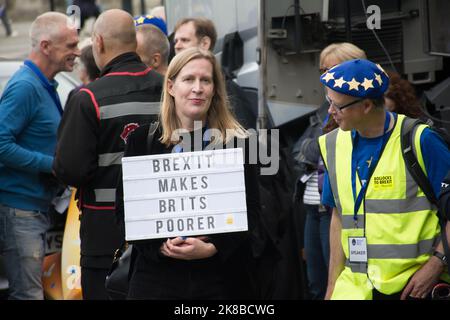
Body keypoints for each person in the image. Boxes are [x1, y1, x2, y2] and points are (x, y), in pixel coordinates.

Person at [115, 47, 259, 299]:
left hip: (219, 280)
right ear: (171, 86)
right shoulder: (142, 141)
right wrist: (159, 247)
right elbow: (124, 211)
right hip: (155, 280)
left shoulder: (238, 143)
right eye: (189, 79)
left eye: (206, 80)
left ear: (215, 89)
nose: (198, 88)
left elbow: (252, 213)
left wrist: (213, 247)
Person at [53, 9, 163, 300]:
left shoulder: (87, 97)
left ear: (98, 42)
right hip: (164, 228)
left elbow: (70, 170)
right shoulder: (170, 90)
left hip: (105, 236)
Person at [318, 59, 450, 300]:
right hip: (355, 289)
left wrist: (437, 264)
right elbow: (338, 216)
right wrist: (332, 287)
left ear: (367, 105)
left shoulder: (420, 140)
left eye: (338, 106)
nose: (330, 111)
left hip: (414, 286)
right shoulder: (333, 144)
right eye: (329, 102)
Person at [0, 12, 79, 300]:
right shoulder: (25, 87)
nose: (78, 51)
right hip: (20, 210)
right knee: (28, 296)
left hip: (35, 209)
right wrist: (53, 166)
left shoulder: (43, 85)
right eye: (70, 45)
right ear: (46, 46)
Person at [294, 42, 367, 300]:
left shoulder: (361, 107)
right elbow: (299, 151)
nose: (325, 77)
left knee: (337, 282)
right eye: (322, 70)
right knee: (316, 284)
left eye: (331, 69)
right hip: (315, 206)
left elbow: (316, 151)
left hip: (339, 210)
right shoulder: (324, 110)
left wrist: (316, 150)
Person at [173, 17, 255, 129]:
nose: (177, 46)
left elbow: (246, 140)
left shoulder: (230, 92)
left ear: (205, 43)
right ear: (170, 87)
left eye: (185, 40)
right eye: (176, 41)